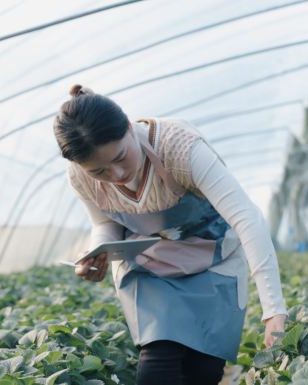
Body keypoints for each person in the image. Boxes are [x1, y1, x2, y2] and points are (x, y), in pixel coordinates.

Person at [53, 84, 288, 385]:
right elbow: (104, 222)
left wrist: (273, 311)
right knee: (157, 364)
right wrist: (98, 249)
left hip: (212, 262)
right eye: (99, 172)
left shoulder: (178, 147)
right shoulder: (78, 176)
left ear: (128, 125)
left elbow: (246, 217)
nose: (117, 175)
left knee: (203, 371)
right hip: (150, 268)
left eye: (120, 157)